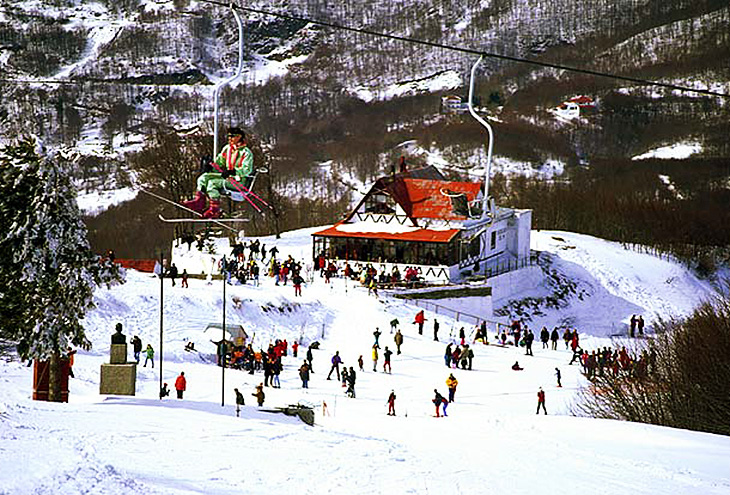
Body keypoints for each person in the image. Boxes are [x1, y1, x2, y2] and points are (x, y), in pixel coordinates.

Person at [181, 127, 255, 219]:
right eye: (228, 136)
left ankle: (215, 209)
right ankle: (199, 202)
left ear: (239, 137)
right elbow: (219, 162)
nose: (229, 138)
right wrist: (210, 167)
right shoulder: (227, 149)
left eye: (232, 136)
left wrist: (233, 171)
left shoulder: (246, 153)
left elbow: (247, 170)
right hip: (228, 177)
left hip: (239, 181)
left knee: (212, 183)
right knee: (203, 178)